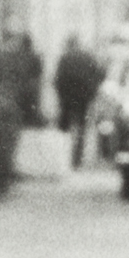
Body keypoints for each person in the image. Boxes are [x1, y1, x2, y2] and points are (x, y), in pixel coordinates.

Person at [53, 36, 105, 166]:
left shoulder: (65, 58)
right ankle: (77, 159)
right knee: (81, 127)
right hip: (84, 98)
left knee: (64, 127)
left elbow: (58, 78)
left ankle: (62, 158)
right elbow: (99, 74)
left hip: (67, 98)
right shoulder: (88, 57)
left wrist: (60, 95)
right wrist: (92, 91)